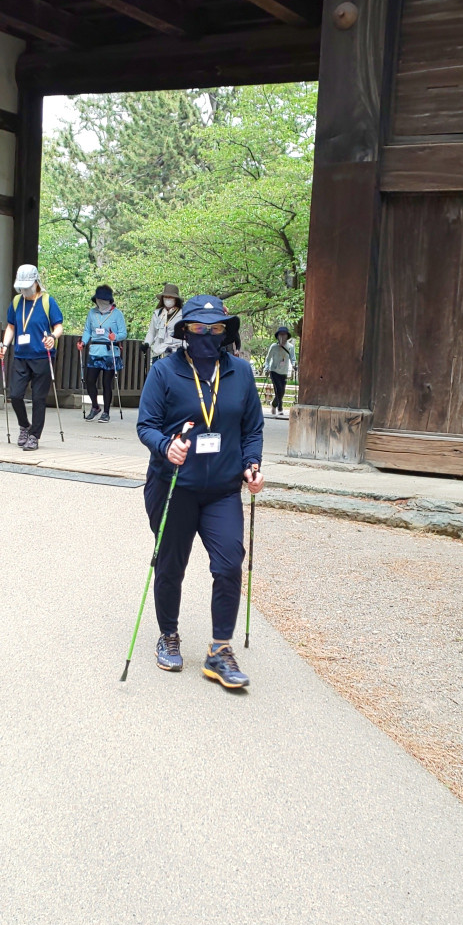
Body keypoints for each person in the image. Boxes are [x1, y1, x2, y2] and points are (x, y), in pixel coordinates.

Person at [135, 294, 265, 690]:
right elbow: (146, 425)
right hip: (174, 486)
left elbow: (252, 429)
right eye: (197, 328)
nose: (207, 334)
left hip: (223, 489)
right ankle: (168, 634)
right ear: (184, 331)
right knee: (171, 564)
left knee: (228, 564)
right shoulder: (164, 372)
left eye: (215, 329)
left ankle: (220, 650)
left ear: (227, 332)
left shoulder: (241, 374)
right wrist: (165, 446)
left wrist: (252, 463)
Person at [0, 263, 63, 451]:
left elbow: (58, 326)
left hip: (42, 356)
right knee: (15, 395)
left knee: (38, 399)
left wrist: (52, 337)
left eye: (27, 286)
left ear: (36, 282)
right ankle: (24, 426)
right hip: (20, 355)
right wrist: (4, 345)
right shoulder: (17, 302)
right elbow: (11, 326)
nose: (24, 290)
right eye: (21, 286)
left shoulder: (47, 301)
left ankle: (34, 436)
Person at [80, 284, 126, 423]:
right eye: (99, 300)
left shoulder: (117, 314)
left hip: (110, 351)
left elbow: (123, 333)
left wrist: (115, 337)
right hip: (95, 350)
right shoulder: (92, 313)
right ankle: (95, 406)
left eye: (104, 300)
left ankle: (106, 412)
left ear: (109, 300)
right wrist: (83, 342)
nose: (101, 302)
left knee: (107, 382)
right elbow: (88, 330)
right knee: (89, 381)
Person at [145, 283, 184, 361]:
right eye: (166, 297)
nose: (168, 299)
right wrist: (147, 343)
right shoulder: (157, 313)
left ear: (175, 299)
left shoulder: (182, 314)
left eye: (170, 297)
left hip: (174, 352)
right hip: (158, 352)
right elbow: (151, 332)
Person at [263, 325, 295, 416]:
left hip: (284, 372)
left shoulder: (290, 347)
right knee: (278, 390)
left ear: (287, 336)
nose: (282, 336)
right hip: (274, 371)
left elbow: (293, 358)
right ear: (277, 336)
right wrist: (267, 368)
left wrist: (294, 365)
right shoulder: (273, 347)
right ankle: (279, 408)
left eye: (284, 334)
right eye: (280, 335)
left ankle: (275, 405)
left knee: (282, 391)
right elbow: (267, 359)